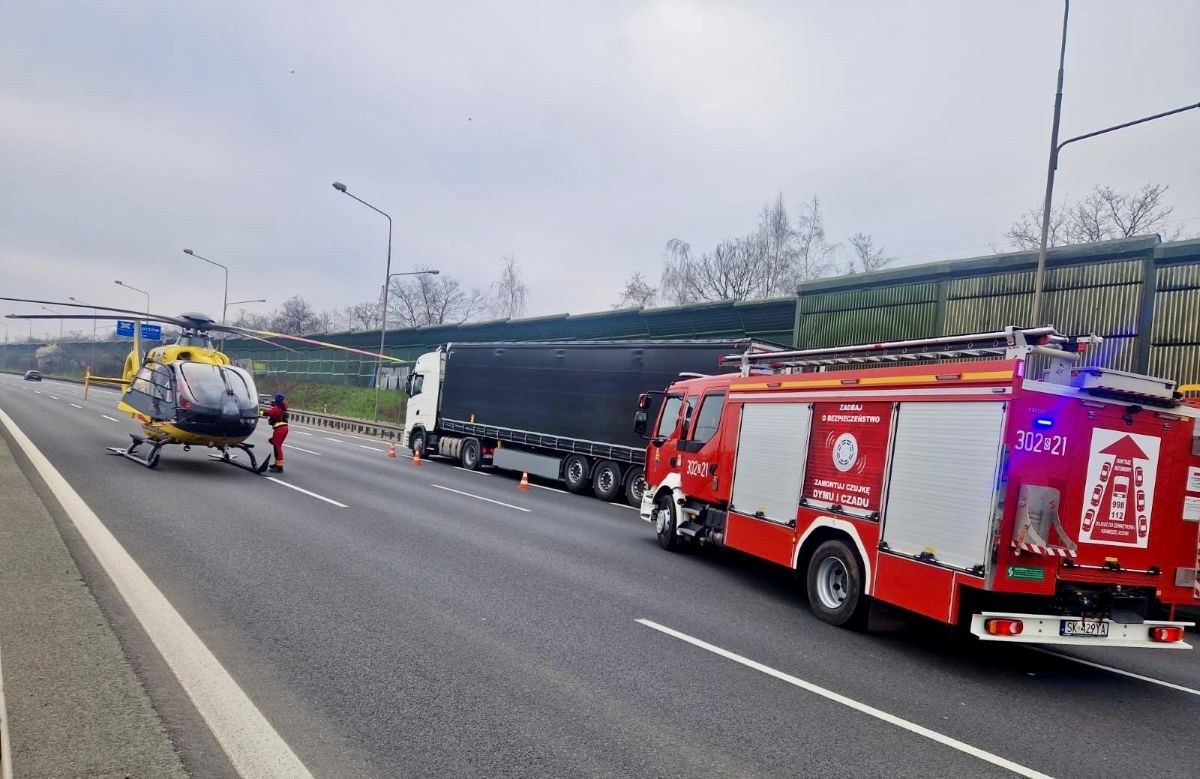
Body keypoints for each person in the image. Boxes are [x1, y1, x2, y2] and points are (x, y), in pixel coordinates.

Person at [263, 393, 289, 472]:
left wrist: (258, 412)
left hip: (279, 429)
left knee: (277, 447)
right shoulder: (283, 408)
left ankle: (279, 468)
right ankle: (277, 464)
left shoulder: (276, 408)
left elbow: (268, 413)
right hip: (284, 428)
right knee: (276, 445)